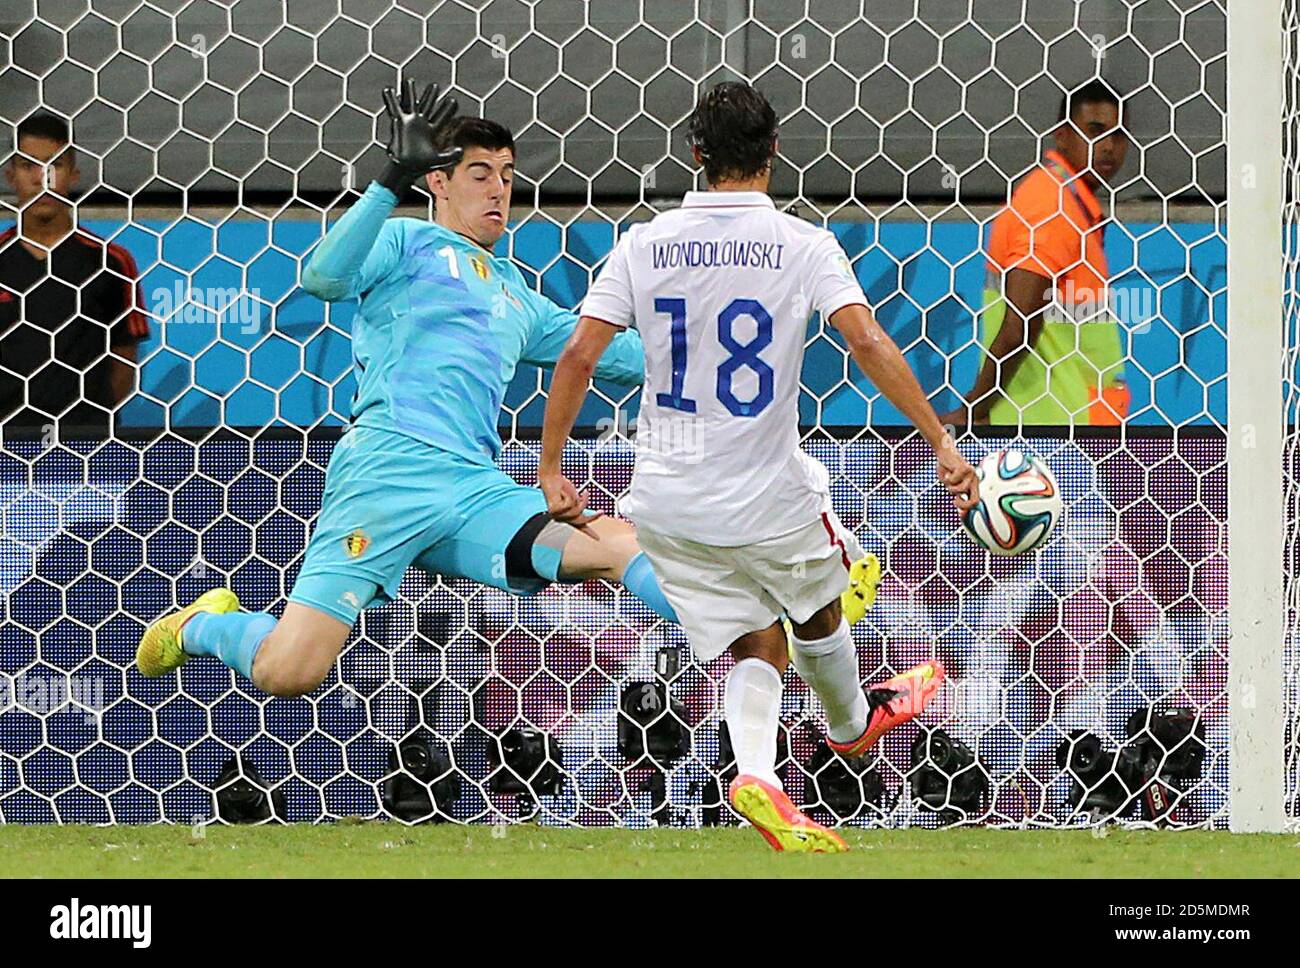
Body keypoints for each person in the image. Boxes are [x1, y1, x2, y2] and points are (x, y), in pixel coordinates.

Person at [134, 81, 879, 697]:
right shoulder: (404, 241)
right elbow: (322, 278)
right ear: (437, 182)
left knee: (618, 547)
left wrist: (736, 338)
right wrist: (384, 184)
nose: (499, 191)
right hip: (386, 475)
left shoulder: (518, 297)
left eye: (508, 176)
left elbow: (619, 357)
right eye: (480, 174)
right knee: (288, 673)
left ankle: (762, 633)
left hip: (473, 490)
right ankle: (205, 623)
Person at [538, 81, 979, 852]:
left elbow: (579, 353)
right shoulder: (802, 243)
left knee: (758, 643)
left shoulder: (644, 243)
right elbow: (868, 341)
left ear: (695, 154)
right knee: (822, 599)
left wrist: (551, 468)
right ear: (775, 152)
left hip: (667, 499)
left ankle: (760, 776)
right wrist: (940, 440)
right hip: (765, 493)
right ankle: (849, 722)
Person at [942, 79, 1130, 428]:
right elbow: (1020, 325)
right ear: (1062, 136)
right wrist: (975, 410)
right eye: (1095, 131)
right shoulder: (1051, 204)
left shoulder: (1072, 206)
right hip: (1047, 432)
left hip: (1071, 426)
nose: (1108, 146)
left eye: (1119, 135)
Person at [1, 112, 148, 435]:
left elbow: (124, 355)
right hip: (5, 444)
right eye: (29, 166)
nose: (44, 179)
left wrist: (89, 424)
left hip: (85, 447)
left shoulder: (112, 262)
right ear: (11, 176)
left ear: (74, 175)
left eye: (54, 166)